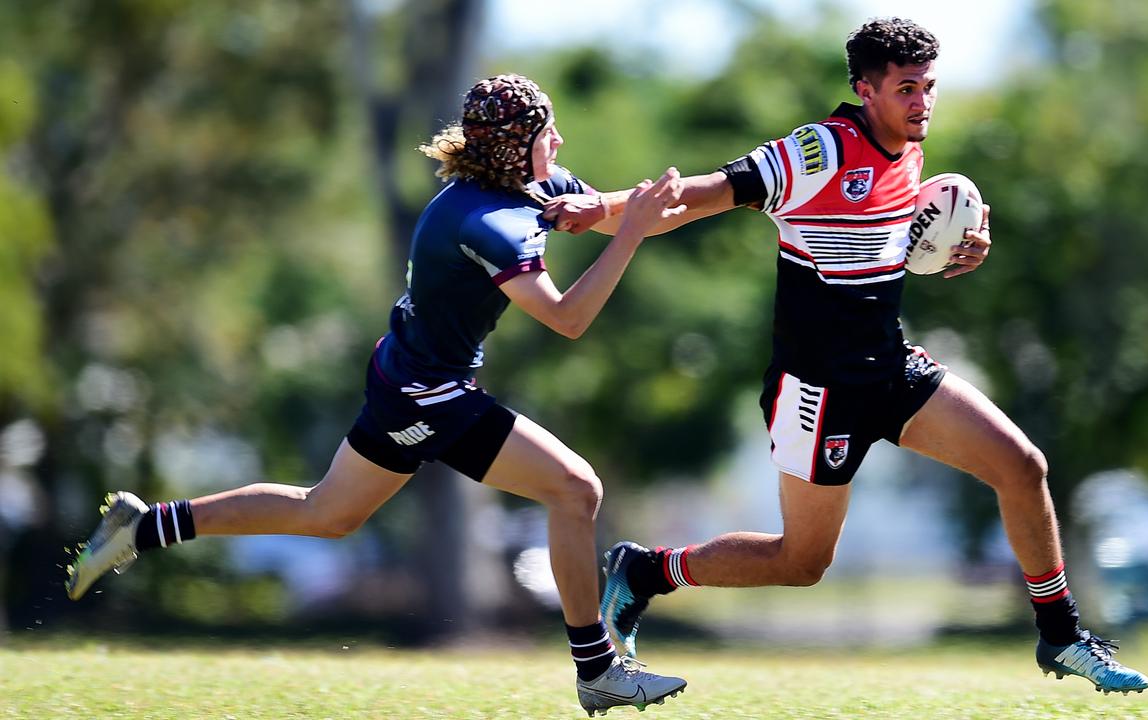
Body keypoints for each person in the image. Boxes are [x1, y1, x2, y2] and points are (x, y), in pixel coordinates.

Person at [543, 18, 1148, 695]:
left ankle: (1062, 636)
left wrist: (967, 240)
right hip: (817, 392)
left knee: (1023, 466)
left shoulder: (910, 151)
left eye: (928, 87)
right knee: (801, 561)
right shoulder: (818, 152)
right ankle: (647, 571)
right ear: (864, 89)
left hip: (891, 370)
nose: (921, 103)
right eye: (904, 89)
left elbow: (919, 224)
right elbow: (697, 196)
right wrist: (602, 207)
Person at [65, 74, 690, 716]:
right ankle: (597, 669)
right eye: (542, 133)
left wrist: (747, 190)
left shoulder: (526, 185)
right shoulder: (485, 223)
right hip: (428, 392)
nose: (557, 140)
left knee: (326, 514)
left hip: (407, 376)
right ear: (510, 148)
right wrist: (630, 232)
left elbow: (629, 208)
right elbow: (568, 319)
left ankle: (144, 527)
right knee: (576, 489)